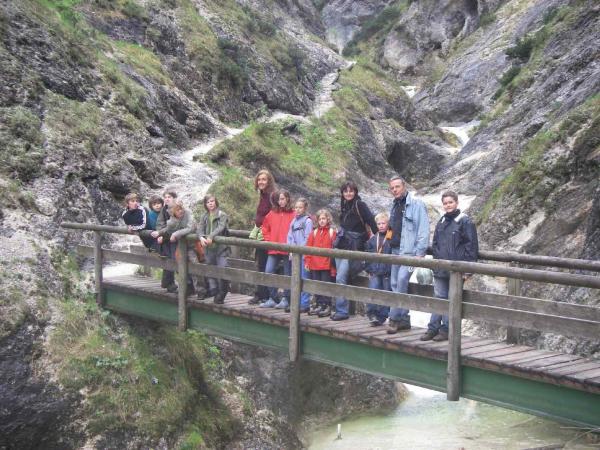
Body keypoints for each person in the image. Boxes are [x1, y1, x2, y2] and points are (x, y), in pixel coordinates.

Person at [420, 191, 478, 341]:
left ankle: (445, 330)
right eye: (445, 203)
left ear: (457, 203)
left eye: (450, 202)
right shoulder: (442, 221)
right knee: (439, 297)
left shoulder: (465, 221)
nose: (448, 205)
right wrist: (435, 263)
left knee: (452, 299)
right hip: (440, 267)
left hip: (456, 270)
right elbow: (436, 243)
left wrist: (468, 270)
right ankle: (432, 328)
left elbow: (471, 246)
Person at [386, 176, 430, 334]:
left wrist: (420, 253)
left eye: (397, 187)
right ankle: (404, 319)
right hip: (395, 251)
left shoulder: (417, 204)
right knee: (394, 284)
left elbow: (424, 229)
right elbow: (391, 228)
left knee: (402, 280)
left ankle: (394, 319)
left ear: (404, 186)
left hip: (410, 253)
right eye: (392, 188)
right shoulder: (395, 205)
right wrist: (388, 242)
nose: (395, 190)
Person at [332, 181, 377, 321]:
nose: (348, 193)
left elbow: (371, 221)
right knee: (341, 277)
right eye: (345, 191)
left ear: (355, 192)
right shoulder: (344, 205)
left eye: (351, 191)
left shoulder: (360, 205)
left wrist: (380, 241)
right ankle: (343, 309)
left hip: (353, 247)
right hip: (342, 244)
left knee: (340, 277)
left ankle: (341, 310)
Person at [260, 189, 295, 309]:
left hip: (288, 249)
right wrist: (269, 241)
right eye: (278, 199)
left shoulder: (293, 214)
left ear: (287, 199)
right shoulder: (271, 213)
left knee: (287, 274)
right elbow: (265, 228)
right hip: (274, 248)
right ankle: (273, 298)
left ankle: (286, 298)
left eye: (282, 199)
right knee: (268, 271)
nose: (280, 201)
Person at [248, 169, 277, 305]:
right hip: (261, 233)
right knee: (261, 264)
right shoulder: (263, 195)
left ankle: (264, 295)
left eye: (264, 179)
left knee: (264, 265)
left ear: (269, 181)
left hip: (267, 236)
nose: (261, 182)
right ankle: (261, 294)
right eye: (259, 180)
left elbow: (274, 215)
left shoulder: (272, 196)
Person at [197, 194, 231, 304]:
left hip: (221, 248)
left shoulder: (222, 215)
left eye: (212, 201)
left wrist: (211, 236)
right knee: (210, 269)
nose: (210, 203)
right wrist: (201, 237)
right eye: (208, 202)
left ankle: (223, 292)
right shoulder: (204, 216)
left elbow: (220, 228)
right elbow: (200, 228)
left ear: (216, 202)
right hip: (209, 248)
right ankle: (214, 290)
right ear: (205, 205)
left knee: (223, 269)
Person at [305, 209, 337, 317]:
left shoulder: (332, 232)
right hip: (314, 264)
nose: (322, 221)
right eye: (320, 219)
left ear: (328, 219)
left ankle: (326, 305)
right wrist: (307, 262)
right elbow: (308, 248)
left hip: (326, 265)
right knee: (316, 285)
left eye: (324, 218)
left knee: (325, 285)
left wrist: (333, 267)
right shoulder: (314, 233)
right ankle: (318, 304)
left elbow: (334, 249)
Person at [162, 200, 196, 295]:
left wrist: (176, 234)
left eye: (181, 208)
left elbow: (191, 228)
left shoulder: (188, 213)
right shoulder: (171, 221)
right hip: (180, 245)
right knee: (178, 262)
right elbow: (168, 230)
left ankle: (201, 289)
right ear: (173, 213)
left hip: (193, 244)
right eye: (177, 210)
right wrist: (161, 234)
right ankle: (187, 287)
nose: (180, 211)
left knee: (196, 265)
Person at [365, 212, 393, 326]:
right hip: (375, 271)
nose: (381, 225)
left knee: (386, 294)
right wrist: (369, 269)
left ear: (388, 224)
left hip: (387, 272)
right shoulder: (373, 239)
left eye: (383, 223)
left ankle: (382, 317)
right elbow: (367, 255)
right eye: (379, 224)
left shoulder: (392, 237)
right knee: (373, 291)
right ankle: (372, 314)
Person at [286, 198, 313, 313]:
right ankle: (295, 303)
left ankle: (304, 303)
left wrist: (299, 250)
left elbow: (308, 238)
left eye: (300, 207)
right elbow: (290, 236)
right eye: (296, 207)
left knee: (304, 278)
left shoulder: (308, 221)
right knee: (295, 278)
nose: (297, 210)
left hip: (304, 255)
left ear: (305, 208)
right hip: (295, 255)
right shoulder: (293, 221)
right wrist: (291, 249)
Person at [152, 190, 178, 293]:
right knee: (168, 259)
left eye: (169, 197)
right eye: (165, 197)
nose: (167, 199)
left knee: (175, 260)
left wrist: (162, 234)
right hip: (167, 240)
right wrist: (160, 233)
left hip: (177, 240)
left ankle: (188, 287)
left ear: (174, 198)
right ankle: (169, 283)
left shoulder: (177, 208)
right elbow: (160, 223)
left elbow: (175, 225)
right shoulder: (164, 209)